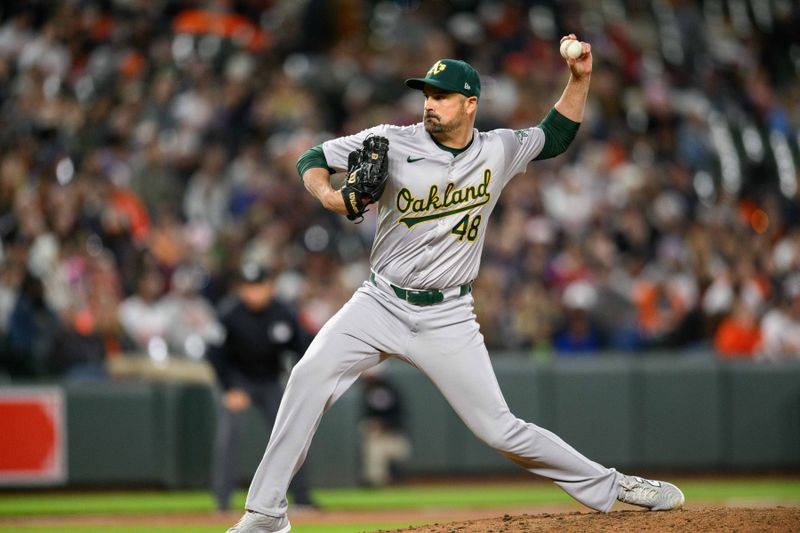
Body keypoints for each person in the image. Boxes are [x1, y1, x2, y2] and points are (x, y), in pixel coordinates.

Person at [228, 36, 685, 533]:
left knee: (500, 429)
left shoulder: (497, 150)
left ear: (470, 104)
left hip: (446, 314)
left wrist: (580, 79)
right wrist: (330, 197)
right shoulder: (393, 140)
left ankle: (614, 485)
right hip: (379, 301)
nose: (429, 102)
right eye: (427, 93)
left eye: (441, 95)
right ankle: (266, 515)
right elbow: (312, 156)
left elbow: (554, 136)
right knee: (307, 376)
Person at [209, 261, 317, 513]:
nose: (253, 292)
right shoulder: (229, 312)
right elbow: (214, 354)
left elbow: (304, 348)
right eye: (248, 286)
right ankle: (222, 502)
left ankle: (302, 499)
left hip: (270, 380)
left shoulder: (283, 312)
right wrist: (228, 388)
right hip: (239, 381)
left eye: (258, 286)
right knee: (229, 435)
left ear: (270, 286)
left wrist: (301, 381)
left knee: (292, 433)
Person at [359, 371, 411, 487]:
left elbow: (401, 415)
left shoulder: (389, 390)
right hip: (377, 438)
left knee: (398, 453)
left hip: (394, 435)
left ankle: (395, 481)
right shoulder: (366, 391)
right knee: (374, 453)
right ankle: (377, 485)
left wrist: (384, 425)